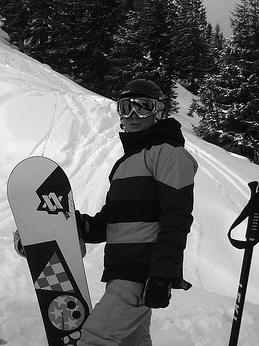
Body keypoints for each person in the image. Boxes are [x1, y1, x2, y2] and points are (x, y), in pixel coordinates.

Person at [76, 79, 198, 345]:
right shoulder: (126, 163)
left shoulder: (169, 154)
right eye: (125, 107)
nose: (133, 115)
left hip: (139, 271)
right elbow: (111, 220)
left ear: (158, 111)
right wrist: (81, 225)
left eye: (143, 107)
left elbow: (177, 217)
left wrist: (162, 274)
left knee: (95, 338)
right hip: (120, 268)